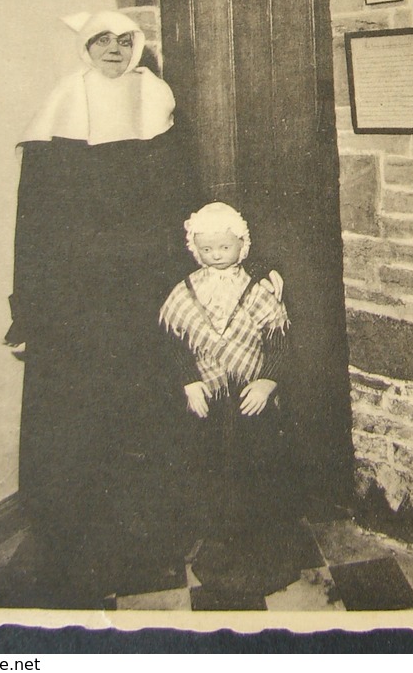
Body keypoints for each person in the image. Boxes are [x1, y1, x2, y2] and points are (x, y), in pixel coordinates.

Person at [4, 10, 199, 607]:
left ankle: (151, 542)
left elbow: (184, 202)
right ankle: (76, 548)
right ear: (86, 48)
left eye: (123, 40)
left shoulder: (158, 103)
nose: (113, 49)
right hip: (76, 300)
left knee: (146, 408)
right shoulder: (62, 107)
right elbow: (32, 226)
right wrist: (26, 309)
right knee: (79, 417)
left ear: (136, 46)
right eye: (101, 41)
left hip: (144, 292)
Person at [160, 202, 308, 598]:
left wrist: (267, 383)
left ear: (241, 246)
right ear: (195, 249)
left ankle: (267, 554)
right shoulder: (186, 291)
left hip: (250, 403)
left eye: (223, 249)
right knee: (217, 475)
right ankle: (224, 548)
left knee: (260, 473)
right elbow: (176, 343)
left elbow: (279, 341)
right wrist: (190, 383)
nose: (215, 257)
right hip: (212, 402)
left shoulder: (257, 291)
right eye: (206, 250)